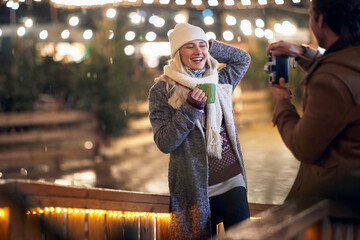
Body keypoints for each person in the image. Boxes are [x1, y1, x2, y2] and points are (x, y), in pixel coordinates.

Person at [148, 23, 251, 239]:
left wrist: (209, 45)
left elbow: (242, 58)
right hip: (194, 189)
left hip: (232, 179)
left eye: (201, 46)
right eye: (189, 46)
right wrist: (190, 109)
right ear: (177, 52)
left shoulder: (219, 80)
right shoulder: (162, 90)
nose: (198, 52)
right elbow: (165, 143)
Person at [266, 0, 360, 203]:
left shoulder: (329, 80)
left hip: (336, 202)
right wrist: (303, 53)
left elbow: (303, 148)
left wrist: (282, 104)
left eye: (310, 15)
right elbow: (342, 71)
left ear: (321, 20)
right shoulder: (351, 58)